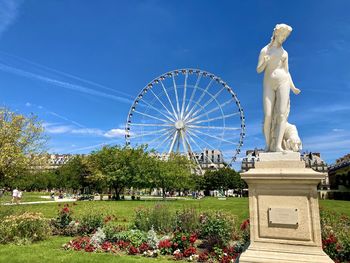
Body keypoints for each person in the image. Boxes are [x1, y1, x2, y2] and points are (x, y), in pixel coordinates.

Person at [257, 24, 301, 152]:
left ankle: (278, 146)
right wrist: (265, 62)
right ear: (276, 33)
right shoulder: (265, 50)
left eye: (285, 36)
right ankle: (268, 144)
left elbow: (287, 72)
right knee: (268, 115)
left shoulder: (285, 53)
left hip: (283, 82)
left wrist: (293, 87)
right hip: (268, 83)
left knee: (282, 114)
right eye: (282, 35)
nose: (283, 38)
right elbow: (259, 70)